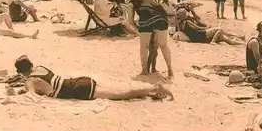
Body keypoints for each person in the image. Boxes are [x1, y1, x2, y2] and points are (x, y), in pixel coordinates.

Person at [14, 56, 173, 101]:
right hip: (80, 80)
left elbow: (31, 96)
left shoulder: (29, 81)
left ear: (21, 73)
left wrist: (17, 93)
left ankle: (155, 88)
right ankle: (152, 92)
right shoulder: (40, 68)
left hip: (80, 90)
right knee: (119, 90)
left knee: (121, 94)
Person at [126, 0, 174, 78]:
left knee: (144, 46)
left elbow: (130, 21)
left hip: (146, 19)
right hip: (162, 18)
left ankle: (144, 71)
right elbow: (157, 8)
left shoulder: (131, 1)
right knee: (163, 45)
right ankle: (170, 70)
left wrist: (138, 29)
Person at [176, 8, 244, 45]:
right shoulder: (187, 22)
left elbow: (198, 23)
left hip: (196, 37)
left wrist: (193, 12)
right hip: (200, 35)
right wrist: (207, 28)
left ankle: (241, 42)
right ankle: (213, 41)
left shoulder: (180, 24)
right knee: (219, 29)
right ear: (184, 15)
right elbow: (197, 28)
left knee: (224, 37)